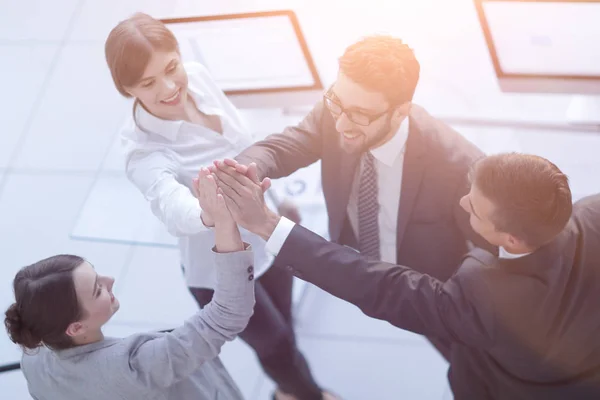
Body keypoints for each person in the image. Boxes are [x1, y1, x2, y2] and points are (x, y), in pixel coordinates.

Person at [211, 153, 600, 399]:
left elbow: (375, 284)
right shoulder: (594, 214)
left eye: (475, 210)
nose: (463, 203)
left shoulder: (483, 294)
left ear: (511, 239)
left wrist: (266, 224)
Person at [105, 13, 335, 400]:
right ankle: (310, 395)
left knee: (285, 326)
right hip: (220, 267)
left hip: (266, 231)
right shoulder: (143, 151)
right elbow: (172, 207)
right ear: (128, 90)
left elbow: (238, 139)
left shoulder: (196, 76)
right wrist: (209, 211)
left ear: (179, 56)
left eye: (171, 68)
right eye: (148, 83)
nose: (169, 87)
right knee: (275, 345)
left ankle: (288, 391)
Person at [3, 170, 255, 400]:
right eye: (97, 289)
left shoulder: (35, 360)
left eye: (97, 275)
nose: (109, 280)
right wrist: (224, 222)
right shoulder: (133, 367)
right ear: (76, 327)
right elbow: (227, 315)